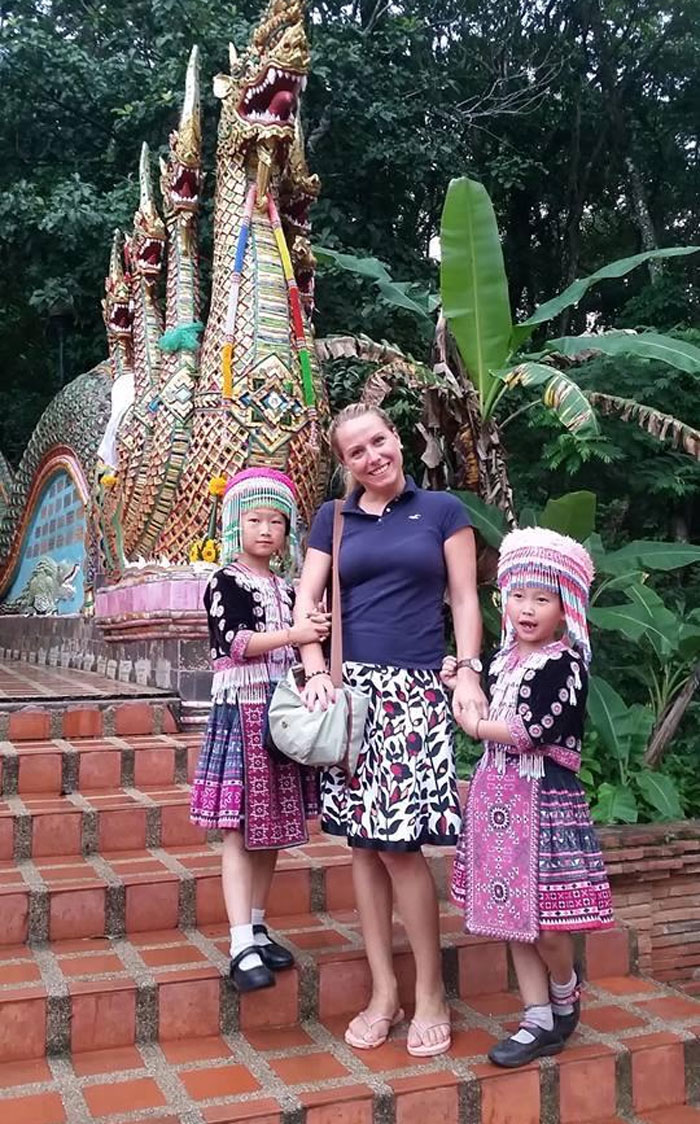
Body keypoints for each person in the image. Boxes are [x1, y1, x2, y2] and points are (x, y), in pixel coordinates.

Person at [294, 403, 486, 1058]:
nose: (372, 456)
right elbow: (308, 603)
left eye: (379, 441)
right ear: (344, 462)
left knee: (401, 848)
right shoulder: (333, 519)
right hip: (351, 697)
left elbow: (464, 599)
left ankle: (429, 990)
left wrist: (466, 671)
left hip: (414, 695)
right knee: (361, 847)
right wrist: (314, 667)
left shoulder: (443, 512)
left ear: (396, 439)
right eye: (356, 451)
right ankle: (383, 991)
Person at [445, 527, 614, 1068]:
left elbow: (534, 728)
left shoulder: (565, 665)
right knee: (509, 910)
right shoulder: (503, 659)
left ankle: (564, 988)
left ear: (567, 608)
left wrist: (475, 725)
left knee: (548, 922)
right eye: (517, 594)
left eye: (543, 598)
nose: (527, 608)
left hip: (542, 800)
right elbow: (486, 698)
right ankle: (537, 1018)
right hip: (497, 795)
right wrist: (460, 678)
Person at [190, 467, 328, 993]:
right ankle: (238, 941)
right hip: (242, 709)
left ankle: (257, 923)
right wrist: (297, 632)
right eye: (255, 520)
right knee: (239, 830)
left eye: (278, 521)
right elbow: (235, 642)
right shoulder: (225, 580)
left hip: (280, 713)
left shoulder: (288, 586)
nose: (267, 530)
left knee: (266, 828)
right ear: (235, 525)